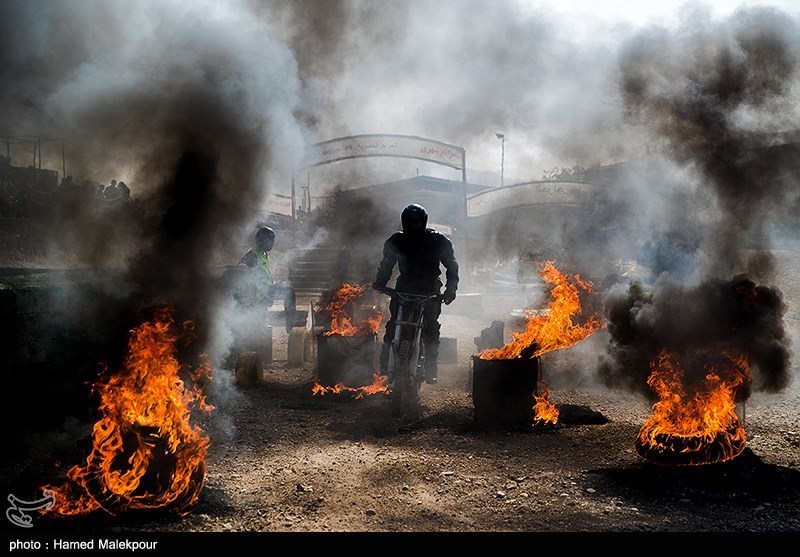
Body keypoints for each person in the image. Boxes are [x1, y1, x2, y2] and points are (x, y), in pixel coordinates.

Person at [372, 204, 458, 385]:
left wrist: (450, 290)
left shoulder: (438, 241)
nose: (414, 226)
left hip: (430, 289)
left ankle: (431, 366)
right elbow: (387, 265)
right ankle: (384, 364)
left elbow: (452, 266)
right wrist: (380, 283)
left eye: (417, 222)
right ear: (404, 222)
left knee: (431, 326)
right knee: (393, 323)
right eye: (410, 223)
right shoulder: (396, 241)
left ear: (424, 222)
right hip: (404, 287)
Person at [239, 226, 298, 333]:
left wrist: (273, 283)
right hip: (259, 293)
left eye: (273, 240)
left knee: (260, 325)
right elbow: (241, 272)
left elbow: (262, 275)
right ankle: (291, 327)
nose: (272, 243)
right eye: (270, 240)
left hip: (264, 290)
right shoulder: (252, 255)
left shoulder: (263, 253)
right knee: (289, 292)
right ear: (262, 240)